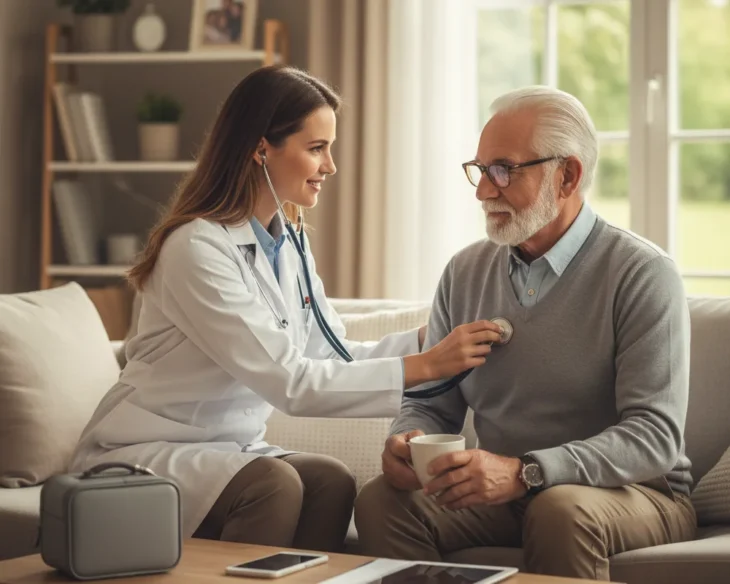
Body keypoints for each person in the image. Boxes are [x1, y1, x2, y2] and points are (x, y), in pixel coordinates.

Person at [67, 65, 499, 554]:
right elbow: (290, 381)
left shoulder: (288, 243)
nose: (331, 166)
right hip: (145, 448)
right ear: (260, 148)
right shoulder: (196, 248)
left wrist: (426, 343)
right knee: (274, 484)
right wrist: (426, 367)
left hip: (228, 449)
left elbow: (328, 353)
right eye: (317, 148)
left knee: (331, 480)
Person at [354, 86, 696, 581]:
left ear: (568, 175)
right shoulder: (464, 272)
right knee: (384, 500)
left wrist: (525, 473)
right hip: (508, 493)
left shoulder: (642, 273)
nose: (482, 191)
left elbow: (654, 437)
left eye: (503, 170)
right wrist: (409, 440)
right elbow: (432, 402)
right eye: (479, 170)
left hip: (634, 493)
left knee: (559, 510)